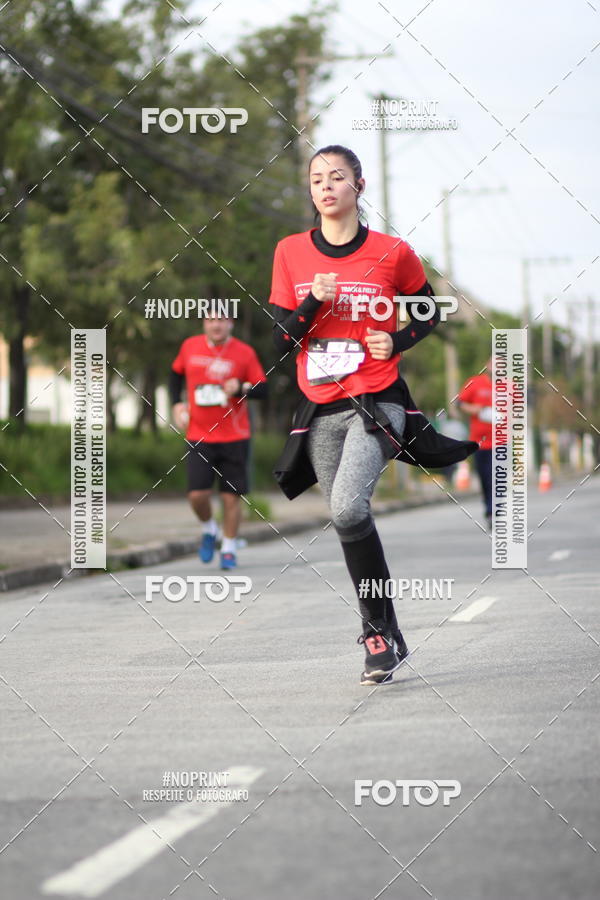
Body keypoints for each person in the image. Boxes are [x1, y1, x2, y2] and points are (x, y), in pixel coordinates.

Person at [269, 144, 477, 685]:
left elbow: (429, 310)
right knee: (349, 518)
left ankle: (377, 633)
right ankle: (386, 631)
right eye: (317, 178)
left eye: (337, 176)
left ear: (358, 186)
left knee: (346, 507)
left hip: (376, 402)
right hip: (320, 407)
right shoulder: (291, 252)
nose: (325, 185)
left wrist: (397, 339)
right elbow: (281, 339)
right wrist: (312, 301)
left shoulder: (392, 251)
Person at [169, 315, 267, 570]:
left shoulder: (244, 352)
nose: (216, 325)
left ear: (230, 323)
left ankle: (229, 548)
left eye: (221, 320)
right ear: (204, 323)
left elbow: (263, 389)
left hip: (235, 436)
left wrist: (242, 387)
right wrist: (177, 404)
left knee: (230, 497)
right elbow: (175, 374)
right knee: (197, 495)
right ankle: (209, 528)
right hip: (199, 435)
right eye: (211, 320)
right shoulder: (190, 346)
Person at [457, 358, 494, 530]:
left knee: (497, 477)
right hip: (480, 441)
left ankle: (495, 511)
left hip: (502, 441)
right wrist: (473, 409)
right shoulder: (475, 382)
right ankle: (489, 508)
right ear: (487, 365)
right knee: (485, 478)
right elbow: (460, 402)